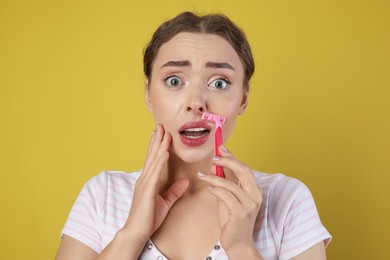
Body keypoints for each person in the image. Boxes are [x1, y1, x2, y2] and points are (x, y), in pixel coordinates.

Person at [55, 11, 331, 260]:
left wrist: (242, 249)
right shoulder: (102, 195)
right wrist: (132, 234)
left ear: (243, 99)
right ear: (149, 94)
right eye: (174, 81)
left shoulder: (286, 200)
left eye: (219, 82)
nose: (196, 102)